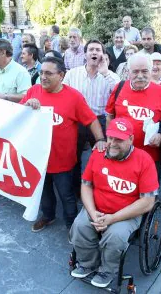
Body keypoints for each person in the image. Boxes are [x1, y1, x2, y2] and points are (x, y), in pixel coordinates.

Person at [20, 56, 106, 232]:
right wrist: (26, 106)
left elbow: (91, 120)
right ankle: (48, 216)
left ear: (61, 75)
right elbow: (18, 115)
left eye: (49, 73)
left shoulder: (74, 97)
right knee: (44, 192)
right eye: (41, 72)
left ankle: (71, 226)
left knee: (67, 196)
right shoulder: (33, 91)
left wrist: (101, 140)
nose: (43, 77)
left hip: (63, 161)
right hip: (39, 159)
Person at [69, 118, 158, 288]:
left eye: (119, 139)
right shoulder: (97, 154)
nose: (113, 143)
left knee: (115, 236)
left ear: (131, 139)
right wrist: (93, 212)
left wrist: (112, 218)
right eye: (110, 138)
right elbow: (86, 185)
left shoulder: (144, 160)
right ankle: (88, 264)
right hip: (97, 208)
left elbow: (147, 202)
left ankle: (108, 271)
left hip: (125, 213)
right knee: (80, 226)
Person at [106, 54, 161, 178]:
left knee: (150, 192)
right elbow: (109, 116)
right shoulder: (119, 88)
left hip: (151, 157)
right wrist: (109, 142)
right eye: (135, 71)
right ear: (128, 72)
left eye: (144, 71)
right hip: (122, 153)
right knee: (124, 190)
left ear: (151, 71)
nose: (140, 76)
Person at [63, 39, 120, 196]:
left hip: (100, 121)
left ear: (103, 54)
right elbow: (63, 94)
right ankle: (75, 190)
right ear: (85, 54)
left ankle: (100, 190)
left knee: (104, 157)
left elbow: (119, 91)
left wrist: (105, 72)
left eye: (98, 50)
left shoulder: (109, 75)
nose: (94, 52)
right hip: (77, 121)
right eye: (91, 50)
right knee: (74, 157)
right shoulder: (72, 74)